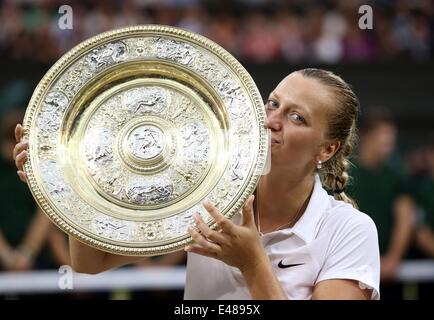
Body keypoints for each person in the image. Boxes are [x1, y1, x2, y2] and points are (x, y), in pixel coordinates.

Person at [13, 68, 380, 300]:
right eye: (272, 104)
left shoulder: (350, 230)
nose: (272, 120)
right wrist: (70, 180)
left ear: (327, 148)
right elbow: (91, 262)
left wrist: (252, 264)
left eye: (296, 117)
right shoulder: (208, 197)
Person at [346, 108, 415, 285]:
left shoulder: (396, 177)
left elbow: (405, 219)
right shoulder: (345, 174)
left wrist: (393, 258)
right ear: (368, 137)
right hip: (349, 263)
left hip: (387, 269)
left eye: (392, 138)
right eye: (385, 137)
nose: (390, 143)